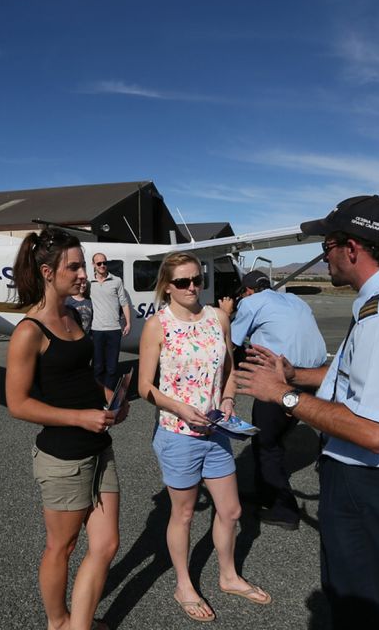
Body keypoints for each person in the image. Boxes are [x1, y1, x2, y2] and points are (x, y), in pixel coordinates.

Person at [236, 195, 379, 630]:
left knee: (362, 613)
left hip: (366, 482)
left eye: (328, 248)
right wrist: (295, 374)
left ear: (352, 248)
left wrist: (282, 395)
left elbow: (375, 431)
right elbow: (358, 379)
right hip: (376, 484)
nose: (325, 261)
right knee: (365, 604)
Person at [5, 229, 129, 630]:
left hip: (99, 445)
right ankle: (58, 622)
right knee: (63, 546)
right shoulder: (29, 331)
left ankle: (80, 624)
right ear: (47, 271)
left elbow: (81, 375)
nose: (83, 274)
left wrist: (110, 394)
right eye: (74, 266)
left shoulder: (74, 314)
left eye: (83, 265)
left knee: (107, 543)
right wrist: (80, 417)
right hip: (63, 459)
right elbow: (17, 404)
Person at [138, 251, 271, 623]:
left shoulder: (218, 317)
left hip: (216, 432)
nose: (192, 287)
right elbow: (144, 386)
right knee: (182, 514)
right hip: (178, 433)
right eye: (183, 282)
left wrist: (228, 397)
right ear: (167, 286)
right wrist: (179, 408)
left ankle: (228, 576)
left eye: (197, 279)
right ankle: (183, 584)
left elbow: (228, 366)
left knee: (231, 510)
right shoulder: (157, 325)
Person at [221, 270, 327, 530]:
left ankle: (285, 510)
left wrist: (224, 313)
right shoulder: (295, 300)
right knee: (273, 439)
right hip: (311, 378)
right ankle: (266, 493)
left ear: (247, 291)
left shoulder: (251, 303)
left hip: (279, 380)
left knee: (267, 445)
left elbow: (229, 340)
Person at [90, 253, 132, 391]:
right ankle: (97, 394)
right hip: (96, 330)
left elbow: (124, 303)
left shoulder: (117, 281)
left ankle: (109, 395)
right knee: (97, 366)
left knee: (112, 367)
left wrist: (128, 322)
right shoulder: (89, 283)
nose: (102, 266)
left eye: (104, 263)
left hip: (114, 330)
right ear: (93, 265)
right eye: (99, 263)